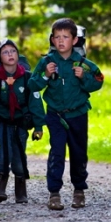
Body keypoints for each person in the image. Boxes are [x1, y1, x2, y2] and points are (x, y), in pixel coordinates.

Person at [28, 18, 104, 210]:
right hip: (55, 116)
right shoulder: (46, 62)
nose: (61, 41)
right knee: (57, 152)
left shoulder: (83, 64)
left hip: (78, 115)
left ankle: (79, 190)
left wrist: (84, 77)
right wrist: (45, 75)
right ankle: (54, 193)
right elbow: (32, 84)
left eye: (66, 37)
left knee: (79, 153)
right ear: (52, 40)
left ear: (75, 40)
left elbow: (98, 80)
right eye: (57, 37)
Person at [0, 38, 46, 204]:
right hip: (2, 123)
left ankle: (20, 191)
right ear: (0, 58)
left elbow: (36, 103)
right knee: (3, 153)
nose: (10, 54)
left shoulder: (28, 79)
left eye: (13, 51)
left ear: (18, 54)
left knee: (19, 155)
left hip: (21, 123)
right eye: (5, 52)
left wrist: (38, 125)